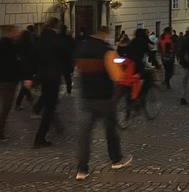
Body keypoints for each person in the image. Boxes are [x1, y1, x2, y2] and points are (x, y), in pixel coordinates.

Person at [74, 26, 133, 180]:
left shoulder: (82, 48)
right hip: (104, 97)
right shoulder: (107, 51)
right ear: (105, 35)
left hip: (86, 97)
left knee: (85, 134)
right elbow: (117, 75)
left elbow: (78, 69)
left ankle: (82, 169)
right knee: (110, 130)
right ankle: (116, 159)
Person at [32, 17, 69, 148]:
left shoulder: (40, 38)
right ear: (56, 26)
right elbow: (65, 55)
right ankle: (40, 138)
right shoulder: (56, 39)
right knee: (50, 106)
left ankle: (56, 126)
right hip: (53, 76)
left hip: (43, 75)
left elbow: (35, 57)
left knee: (49, 102)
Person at [0, 25, 25, 142]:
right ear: (10, 32)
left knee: (3, 105)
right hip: (8, 80)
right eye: (16, 32)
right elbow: (16, 63)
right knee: (5, 106)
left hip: (1, 79)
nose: (18, 34)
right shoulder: (11, 46)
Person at [15, 26, 35, 111]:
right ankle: (18, 103)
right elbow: (32, 58)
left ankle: (29, 97)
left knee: (25, 85)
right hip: (27, 69)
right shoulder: (29, 45)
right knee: (25, 87)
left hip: (20, 69)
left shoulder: (18, 45)